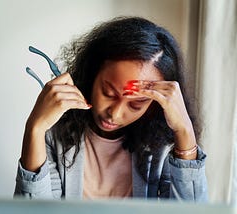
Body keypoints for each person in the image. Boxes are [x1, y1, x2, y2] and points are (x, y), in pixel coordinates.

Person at [14, 16, 208, 201]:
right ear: (92, 74)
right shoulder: (55, 134)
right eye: (108, 92)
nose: (115, 113)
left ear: (154, 105)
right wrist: (35, 128)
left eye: (135, 104)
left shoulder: (164, 145)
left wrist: (184, 131)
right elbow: (31, 210)